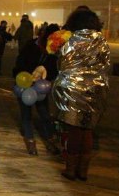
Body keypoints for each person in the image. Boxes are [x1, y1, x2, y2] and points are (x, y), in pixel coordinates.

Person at [53, 9, 110, 181]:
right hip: (96, 89)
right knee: (88, 130)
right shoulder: (102, 41)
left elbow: (62, 65)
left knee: (74, 130)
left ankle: (71, 170)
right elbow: (106, 65)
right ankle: (83, 171)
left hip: (73, 89)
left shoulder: (70, 40)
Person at [13, 23, 61, 156]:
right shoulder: (31, 46)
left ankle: (50, 141)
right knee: (26, 115)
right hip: (25, 84)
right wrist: (26, 77)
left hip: (41, 88)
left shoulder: (53, 52)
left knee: (44, 114)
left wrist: (45, 76)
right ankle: (30, 141)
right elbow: (20, 62)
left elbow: (54, 70)